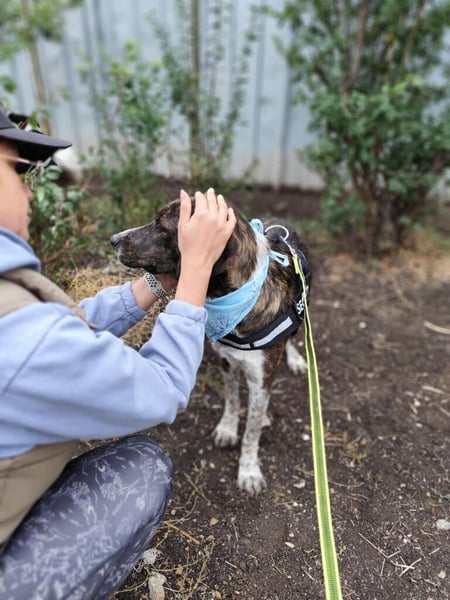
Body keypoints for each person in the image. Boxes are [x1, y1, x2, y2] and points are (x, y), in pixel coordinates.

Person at [0, 106, 236, 599]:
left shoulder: (17, 312)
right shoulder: (25, 341)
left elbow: (62, 328)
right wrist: (195, 271)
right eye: (18, 170)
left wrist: (156, 285)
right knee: (143, 468)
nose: (29, 190)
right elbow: (163, 388)